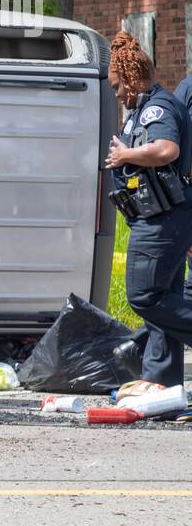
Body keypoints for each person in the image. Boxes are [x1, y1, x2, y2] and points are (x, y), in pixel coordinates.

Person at [104, 30, 192, 388]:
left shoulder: (157, 107)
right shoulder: (142, 108)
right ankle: (162, 384)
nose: (117, 94)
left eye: (116, 87)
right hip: (156, 217)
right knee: (165, 300)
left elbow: (167, 149)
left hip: (162, 218)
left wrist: (126, 154)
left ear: (129, 79)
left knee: (146, 296)